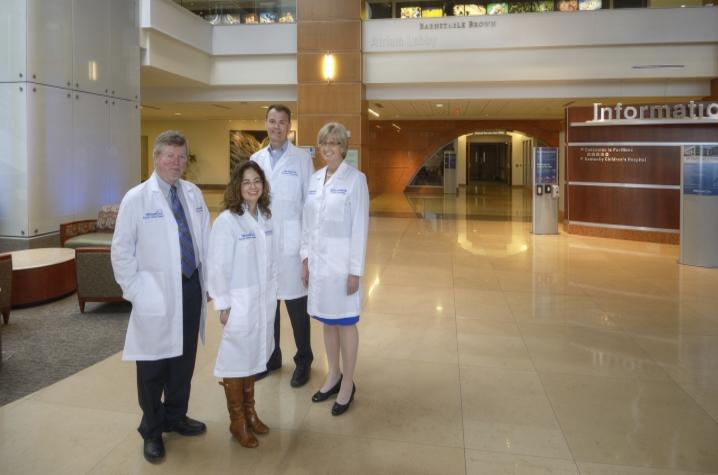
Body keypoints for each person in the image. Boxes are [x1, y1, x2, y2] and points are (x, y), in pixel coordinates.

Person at [111, 130, 211, 463]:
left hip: (191, 287)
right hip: (155, 293)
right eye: (169, 156)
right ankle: (152, 430)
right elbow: (121, 253)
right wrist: (138, 293)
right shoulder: (137, 198)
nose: (176, 163)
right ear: (156, 158)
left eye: (181, 156)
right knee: (153, 367)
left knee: (183, 363)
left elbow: (204, 241)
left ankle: (176, 416)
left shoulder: (193, 194)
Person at [206, 161, 277, 448]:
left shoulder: (266, 216)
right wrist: (223, 304)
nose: (252, 186)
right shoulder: (227, 221)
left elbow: (271, 261)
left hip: (262, 299)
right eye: (246, 181)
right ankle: (237, 422)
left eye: (257, 181)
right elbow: (217, 266)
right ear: (237, 186)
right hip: (239, 301)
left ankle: (250, 413)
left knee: (251, 356)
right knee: (236, 359)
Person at [300, 122, 369, 416]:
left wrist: (355, 270)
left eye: (333, 143)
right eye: (323, 143)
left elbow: (359, 228)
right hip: (318, 264)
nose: (327, 148)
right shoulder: (315, 179)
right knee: (328, 322)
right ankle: (333, 374)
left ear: (343, 147)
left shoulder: (356, 179)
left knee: (345, 322)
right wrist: (305, 259)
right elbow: (307, 223)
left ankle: (348, 383)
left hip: (342, 267)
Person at [251, 104, 314, 387]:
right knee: (268, 306)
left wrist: (306, 255)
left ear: (289, 127)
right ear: (265, 123)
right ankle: (272, 355)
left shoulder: (301, 159)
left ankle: (304, 360)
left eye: (282, 122)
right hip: (263, 245)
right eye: (272, 121)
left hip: (292, 246)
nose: (276, 126)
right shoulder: (256, 159)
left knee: (297, 307)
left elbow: (309, 208)